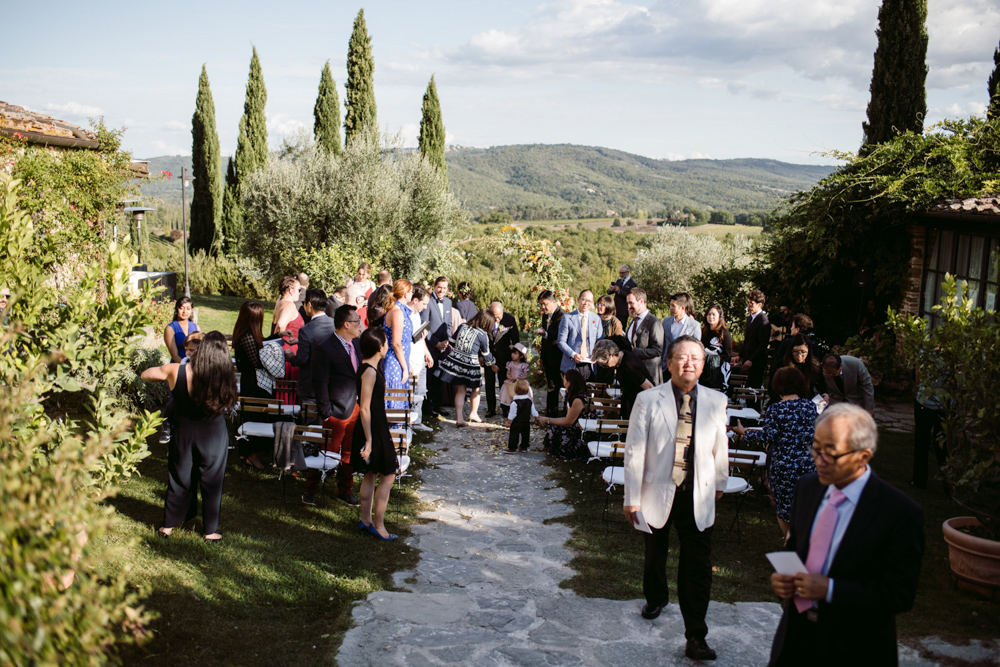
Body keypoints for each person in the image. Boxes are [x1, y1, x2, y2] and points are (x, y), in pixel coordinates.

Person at [768, 404, 925, 667]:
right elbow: (795, 546)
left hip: (856, 648)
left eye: (831, 453)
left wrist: (830, 590)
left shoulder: (899, 513)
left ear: (863, 456)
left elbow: (899, 594)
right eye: (815, 448)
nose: (819, 460)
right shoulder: (807, 488)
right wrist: (783, 578)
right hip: (796, 640)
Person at [622, 335, 729, 661]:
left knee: (697, 566)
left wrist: (720, 480)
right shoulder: (649, 400)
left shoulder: (715, 400)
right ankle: (656, 597)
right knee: (656, 552)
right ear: (668, 364)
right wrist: (631, 496)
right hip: (657, 490)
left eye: (695, 358)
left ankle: (696, 634)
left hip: (697, 493)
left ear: (702, 364)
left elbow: (719, 446)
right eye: (682, 358)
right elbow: (635, 448)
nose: (689, 364)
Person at [142, 331, 237, 542]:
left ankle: (167, 526)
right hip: (213, 434)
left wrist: (167, 372)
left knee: (179, 476)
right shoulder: (224, 376)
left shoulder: (177, 370)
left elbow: (146, 374)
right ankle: (210, 530)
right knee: (212, 480)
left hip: (183, 432)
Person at [733, 367, 817, 536]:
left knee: (784, 508)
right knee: (804, 506)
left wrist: (743, 433)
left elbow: (767, 435)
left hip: (784, 466)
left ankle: (789, 541)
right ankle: (801, 542)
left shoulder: (776, 409)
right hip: (808, 463)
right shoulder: (810, 406)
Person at [310, 305, 364, 507]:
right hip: (335, 410)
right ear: (346, 324)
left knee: (349, 452)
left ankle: (345, 490)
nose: (361, 325)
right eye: (357, 321)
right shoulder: (325, 348)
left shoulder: (356, 344)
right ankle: (310, 490)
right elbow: (320, 382)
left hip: (355, 407)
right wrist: (326, 410)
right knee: (325, 451)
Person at [352, 327, 400, 541]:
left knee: (371, 473)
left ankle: (365, 520)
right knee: (388, 474)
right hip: (374, 426)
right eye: (386, 343)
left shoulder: (367, 366)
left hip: (373, 424)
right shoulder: (370, 371)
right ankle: (378, 526)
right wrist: (370, 440)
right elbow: (364, 406)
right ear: (380, 347)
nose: (388, 346)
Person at [232, 301, 287, 469]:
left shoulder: (246, 334)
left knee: (255, 415)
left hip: (252, 381)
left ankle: (248, 453)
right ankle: (251, 454)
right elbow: (256, 359)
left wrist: (278, 336)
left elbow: (260, 342)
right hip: (255, 383)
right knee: (256, 416)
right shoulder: (246, 336)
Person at [434, 308, 498, 426]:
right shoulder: (482, 335)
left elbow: (452, 342)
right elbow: (486, 355)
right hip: (471, 365)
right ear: (485, 323)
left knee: (461, 390)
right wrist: (493, 363)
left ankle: (459, 418)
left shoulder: (463, 326)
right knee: (476, 389)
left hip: (457, 362)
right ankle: (473, 413)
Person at [285, 288, 334, 402]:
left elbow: (302, 359)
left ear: (309, 305)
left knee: (310, 417)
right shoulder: (335, 324)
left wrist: (291, 357)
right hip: (331, 383)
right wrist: (300, 342)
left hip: (311, 385)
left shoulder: (306, 330)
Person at [537, 369, 593, 460]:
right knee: (554, 427)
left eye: (565, 380)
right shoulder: (575, 395)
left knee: (555, 430)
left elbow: (568, 422)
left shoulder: (578, 400)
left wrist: (547, 420)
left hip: (582, 431)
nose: (563, 382)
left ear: (570, 382)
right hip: (577, 425)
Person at [591, 339, 653, 419]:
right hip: (629, 401)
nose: (607, 367)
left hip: (638, 406)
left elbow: (649, 387)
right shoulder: (622, 355)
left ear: (612, 355)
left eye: (606, 364)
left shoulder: (629, 366)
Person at [421, 277, 454, 417]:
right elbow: (424, 326)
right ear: (434, 287)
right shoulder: (428, 302)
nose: (441, 290)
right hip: (431, 347)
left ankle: (438, 405)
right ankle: (428, 408)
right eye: (439, 287)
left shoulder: (448, 302)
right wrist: (435, 343)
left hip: (443, 347)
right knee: (429, 378)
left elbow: (449, 324)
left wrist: (446, 341)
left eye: (444, 288)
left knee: (440, 378)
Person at [557, 289, 602, 380]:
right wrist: (573, 354)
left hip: (590, 364)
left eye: (589, 301)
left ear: (592, 302)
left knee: (588, 392)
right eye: (583, 299)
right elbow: (561, 341)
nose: (586, 303)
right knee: (572, 392)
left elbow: (600, 341)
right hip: (572, 363)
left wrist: (596, 354)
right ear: (578, 300)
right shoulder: (567, 318)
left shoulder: (596, 319)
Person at [382, 280, 414, 410]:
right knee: (395, 399)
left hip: (401, 359)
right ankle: (393, 428)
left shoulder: (400, 310)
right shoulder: (397, 312)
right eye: (411, 292)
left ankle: (399, 428)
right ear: (406, 294)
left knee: (401, 398)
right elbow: (396, 343)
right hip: (395, 362)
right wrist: (405, 367)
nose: (412, 295)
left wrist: (407, 363)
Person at [408, 285, 434, 433]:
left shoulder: (417, 315)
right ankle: (409, 423)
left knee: (421, 391)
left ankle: (418, 421)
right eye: (423, 304)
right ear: (415, 300)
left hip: (420, 358)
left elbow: (419, 337)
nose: (424, 308)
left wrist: (427, 353)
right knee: (411, 393)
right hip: (411, 360)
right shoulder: (406, 315)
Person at [485, 301, 518, 418]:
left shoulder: (510, 320)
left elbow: (515, 338)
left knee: (504, 382)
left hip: (504, 356)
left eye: (499, 316)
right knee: (489, 383)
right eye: (494, 317)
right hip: (488, 355)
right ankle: (491, 409)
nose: (496, 319)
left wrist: (514, 351)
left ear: (502, 312)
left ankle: (505, 408)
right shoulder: (486, 318)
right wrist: (481, 355)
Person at [625, 288, 664, 385]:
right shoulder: (633, 321)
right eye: (627, 303)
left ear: (641, 301)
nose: (628, 307)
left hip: (649, 376)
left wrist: (635, 351)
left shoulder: (654, 323)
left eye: (631, 303)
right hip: (634, 376)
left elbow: (658, 350)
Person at [537, 290, 565, 417]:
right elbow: (544, 340)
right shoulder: (545, 316)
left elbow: (560, 336)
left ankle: (562, 414)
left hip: (559, 357)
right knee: (551, 386)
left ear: (554, 302)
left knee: (561, 387)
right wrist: (542, 357)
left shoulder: (562, 316)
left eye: (545, 304)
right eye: (541, 304)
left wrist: (546, 334)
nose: (543, 307)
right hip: (548, 356)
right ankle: (550, 414)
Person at [734, 289, 770, 388]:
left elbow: (763, 344)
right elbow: (747, 340)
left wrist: (751, 360)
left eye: (751, 303)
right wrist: (740, 355)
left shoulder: (763, 321)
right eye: (748, 303)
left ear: (760, 304)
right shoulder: (750, 319)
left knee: (753, 391)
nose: (749, 306)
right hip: (746, 360)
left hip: (756, 363)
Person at [771, 334, 823, 400]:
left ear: (808, 351)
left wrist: (825, 394)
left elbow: (822, 385)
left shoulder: (815, 365)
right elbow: (772, 388)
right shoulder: (781, 364)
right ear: (791, 350)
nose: (799, 356)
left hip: (807, 401)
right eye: (795, 351)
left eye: (803, 352)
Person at [661, 292, 700, 377]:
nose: (670, 308)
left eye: (673, 306)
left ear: (682, 308)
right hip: (667, 367)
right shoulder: (666, 322)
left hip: (684, 369)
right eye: (670, 305)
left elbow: (697, 349)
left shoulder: (694, 325)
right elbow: (663, 344)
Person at [700, 303, 733, 391]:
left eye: (713, 314)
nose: (711, 317)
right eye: (709, 314)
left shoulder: (724, 333)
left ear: (719, 316)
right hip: (703, 371)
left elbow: (728, 355)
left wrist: (712, 357)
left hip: (717, 373)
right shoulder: (702, 332)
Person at [505, 379, 538, 453]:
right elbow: (533, 411)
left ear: (515, 390)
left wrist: (509, 422)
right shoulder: (529, 401)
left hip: (517, 421)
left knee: (514, 434)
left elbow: (512, 414)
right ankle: (524, 446)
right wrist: (537, 417)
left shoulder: (514, 402)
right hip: (526, 421)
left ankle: (512, 447)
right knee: (525, 434)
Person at [165, 296, 199, 364]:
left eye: (188, 309)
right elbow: (174, 355)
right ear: (177, 309)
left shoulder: (196, 327)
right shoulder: (170, 328)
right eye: (181, 308)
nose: (184, 311)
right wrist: (186, 367)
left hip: (194, 366)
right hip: (178, 366)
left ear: (192, 310)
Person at [499, 343, 531, 412]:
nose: (512, 355)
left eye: (515, 353)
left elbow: (526, 375)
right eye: (512, 353)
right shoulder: (510, 364)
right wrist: (510, 378)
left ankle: (521, 408)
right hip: (511, 382)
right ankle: (508, 409)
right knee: (509, 394)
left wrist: (519, 378)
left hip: (520, 383)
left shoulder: (523, 365)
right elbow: (507, 374)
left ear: (521, 356)